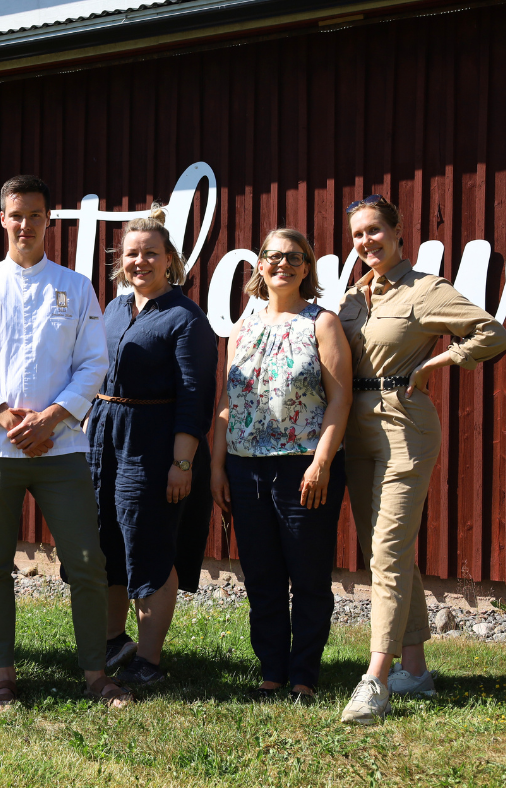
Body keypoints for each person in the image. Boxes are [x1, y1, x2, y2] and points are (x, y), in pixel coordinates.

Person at [0, 174, 131, 708]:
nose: (24, 224)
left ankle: (95, 673)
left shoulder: (74, 286)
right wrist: (4, 417)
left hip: (63, 447)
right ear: (1, 220)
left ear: (49, 220)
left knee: (86, 560)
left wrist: (51, 417)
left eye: (34, 214)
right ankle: (3, 673)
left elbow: (94, 362)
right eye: (15, 214)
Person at [336, 196, 506, 724]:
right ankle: (415, 669)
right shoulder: (352, 299)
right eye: (358, 234)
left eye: (375, 230)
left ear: (397, 231)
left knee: (387, 552)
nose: (367, 241)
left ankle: (375, 679)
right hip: (354, 429)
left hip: (402, 425)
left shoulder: (425, 290)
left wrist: (443, 358)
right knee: (384, 550)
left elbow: (492, 333)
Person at [211, 228, 352, 704]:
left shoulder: (322, 323)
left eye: (294, 257)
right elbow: (227, 402)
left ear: (307, 267)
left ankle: (304, 677)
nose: (282, 265)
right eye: (273, 256)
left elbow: (339, 399)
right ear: (260, 266)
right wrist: (216, 467)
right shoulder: (243, 326)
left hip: (303, 469)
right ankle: (272, 673)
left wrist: (322, 463)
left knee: (309, 576)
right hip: (245, 468)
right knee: (263, 576)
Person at [90, 208, 217, 686]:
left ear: (170, 260)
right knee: (106, 539)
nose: (140, 261)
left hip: (154, 440)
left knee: (148, 543)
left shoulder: (186, 318)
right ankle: (112, 639)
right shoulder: (116, 308)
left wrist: (182, 461)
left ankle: (149, 659)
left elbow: (194, 396)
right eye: (132, 254)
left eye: (150, 254)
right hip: (105, 437)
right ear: (120, 261)